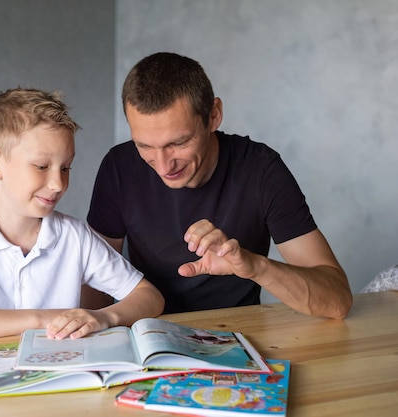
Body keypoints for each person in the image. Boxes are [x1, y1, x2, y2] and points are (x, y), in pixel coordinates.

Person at [86, 52, 352, 319]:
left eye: (178, 143)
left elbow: (337, 301)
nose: (164, 166)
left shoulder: (260, 170)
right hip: (148, 333)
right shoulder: (119, 168)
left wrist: (253, 266)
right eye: (144, 146)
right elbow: (94, 285)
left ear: (214, 115)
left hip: (239, 338)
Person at [0, 87, 164, 342]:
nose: (58, 184)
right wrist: (40, 319)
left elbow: (149, 297)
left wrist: (104, 317)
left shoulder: (75, 237)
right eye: (41, 166)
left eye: (66, 168)